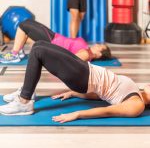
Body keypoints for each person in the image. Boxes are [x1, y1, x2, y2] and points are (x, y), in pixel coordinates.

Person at [0, 41, 149, 124]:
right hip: (86, 70)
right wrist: (73, 93)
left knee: (39, 53)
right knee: (38, 45)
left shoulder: (137, 105)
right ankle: (28, 92)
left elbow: (107, 110)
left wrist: (77, 114)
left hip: (83, 77)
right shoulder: (136, 90)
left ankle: (24, 102)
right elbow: (102, 95)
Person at [0, 19, 111, 64]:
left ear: (100, 54)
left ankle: (15, 55)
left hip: (53, 42)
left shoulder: (87, 54)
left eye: (100, 46)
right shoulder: (86, 48)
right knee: (26, 25)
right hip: (53, 37)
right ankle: (18, 52)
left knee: (24, 25)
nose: (97, 44)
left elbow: (70, 61)